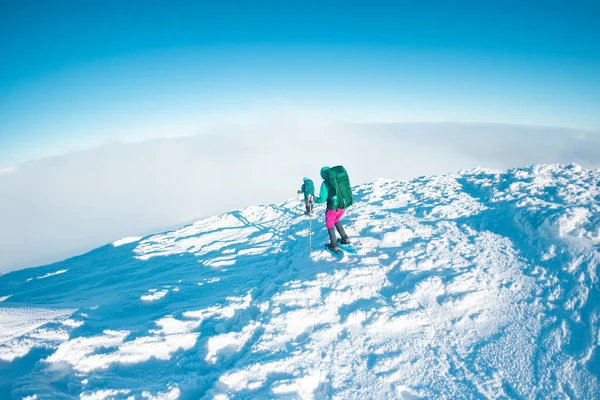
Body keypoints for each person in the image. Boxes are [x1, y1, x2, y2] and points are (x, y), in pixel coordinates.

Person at [313, 166, 353, 253]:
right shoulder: (338, 180)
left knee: (330, 226)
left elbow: (322, 199)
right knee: (337, 220)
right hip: (342, 207)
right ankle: (345, 239)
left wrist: (313, 199)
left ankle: (333, 245)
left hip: (332, 209)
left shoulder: (325, 183)